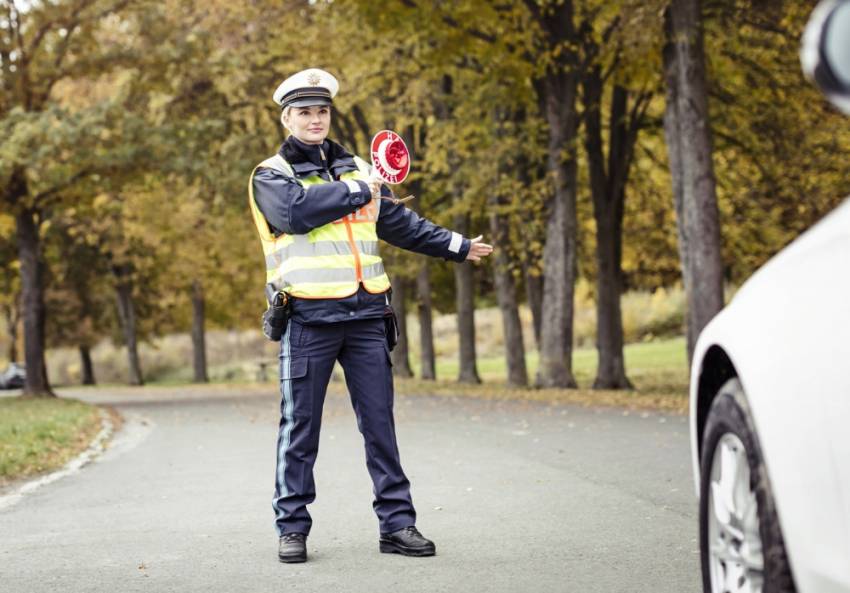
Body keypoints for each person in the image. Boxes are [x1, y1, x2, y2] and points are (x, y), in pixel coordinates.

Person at [248, 68, 493, 563]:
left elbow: (399, 224)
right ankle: (292, 528)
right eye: (304, 112)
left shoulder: (359, 165)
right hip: (308, 318)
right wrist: (363, 189)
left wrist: (457, 245)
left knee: (380, 426)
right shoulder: (271, 174)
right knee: (300, 430)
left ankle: (398, 526)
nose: (315, 120)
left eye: (321, 111)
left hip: (365, 316)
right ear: (286, 118)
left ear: (329, 115)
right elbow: (297, 213)